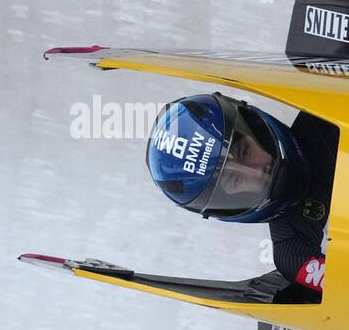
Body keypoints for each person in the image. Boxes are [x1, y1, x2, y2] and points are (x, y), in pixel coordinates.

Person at [145, 93, 338, 293]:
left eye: (245, 152)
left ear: (255, 129)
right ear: (229, 199)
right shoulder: (296, 255)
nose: (255, 172)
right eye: (235, 180)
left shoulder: (328, 114)